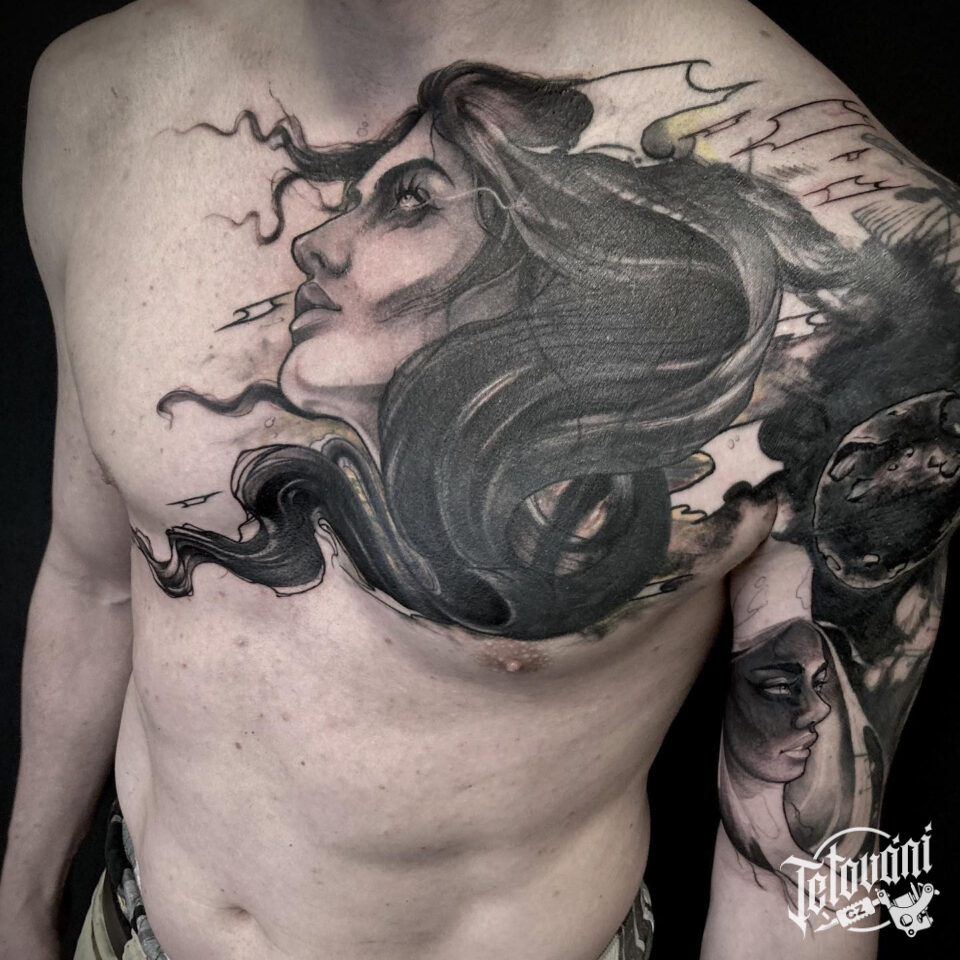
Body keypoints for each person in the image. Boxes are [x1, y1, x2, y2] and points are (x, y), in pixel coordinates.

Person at [1, 1, 956, 958]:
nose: (312, 246)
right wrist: (23, 911)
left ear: (544, 245)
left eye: (411, 200)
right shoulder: (103, 96)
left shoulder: (876, 285)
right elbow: (93, 580)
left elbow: (800, 866)